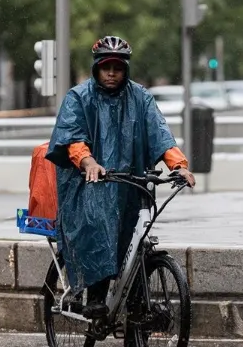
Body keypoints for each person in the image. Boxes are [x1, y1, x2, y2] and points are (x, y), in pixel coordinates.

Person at [45, 35, 196, 319]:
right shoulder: (79, 97)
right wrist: (88, 162)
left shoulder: (141, 97)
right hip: (87, 185)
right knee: (97, 222)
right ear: (96, 69)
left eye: (117, 67)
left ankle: (135, 317)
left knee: (135, 236)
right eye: (106, 68)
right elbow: (73, 139)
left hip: (130, 183)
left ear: (126, 70)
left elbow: (160, 134)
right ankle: (96, 295)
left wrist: (178, 166)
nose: (112, 73)